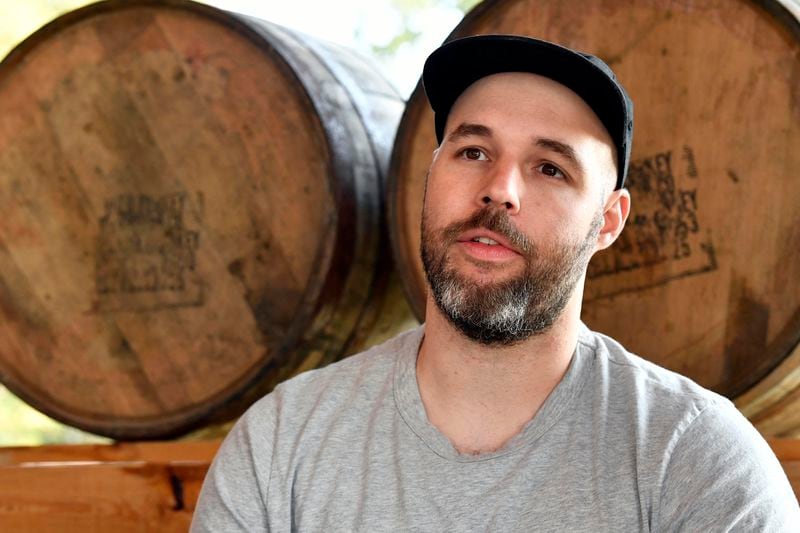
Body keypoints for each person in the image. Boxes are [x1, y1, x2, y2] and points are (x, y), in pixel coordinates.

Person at [191, 35, 799, 531]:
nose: (500, 189)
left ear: (608, 222)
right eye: (473, 152)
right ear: (430, 177)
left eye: (550, 168)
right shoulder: (280, 446)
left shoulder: (697, 462)